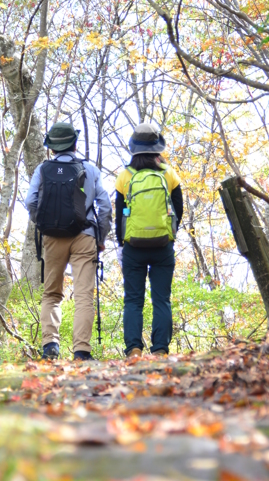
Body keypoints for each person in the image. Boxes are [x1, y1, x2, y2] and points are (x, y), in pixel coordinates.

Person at [26, 121, 112, 361]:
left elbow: (30, 201)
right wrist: (101, 237)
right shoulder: (90, 170)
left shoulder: (43, 170)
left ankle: (50, 347)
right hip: (85, 236)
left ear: (52, 148)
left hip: (53, 238)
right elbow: (104, 207)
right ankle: (82, 352)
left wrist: (44, 223)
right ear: (75, 143)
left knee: (52, 293)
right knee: (84, 294)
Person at [114, 122, 183, 358]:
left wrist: (121, 242)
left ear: (134, 148)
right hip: (163, 244)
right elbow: (178, 209)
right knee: (161, 298)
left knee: (133, 299)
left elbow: (119, 213)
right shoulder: (168, 173)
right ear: (157, 149)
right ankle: (161, 350)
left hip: (133, 246)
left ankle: (134, 349)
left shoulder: (125, 176)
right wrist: (169, 234)